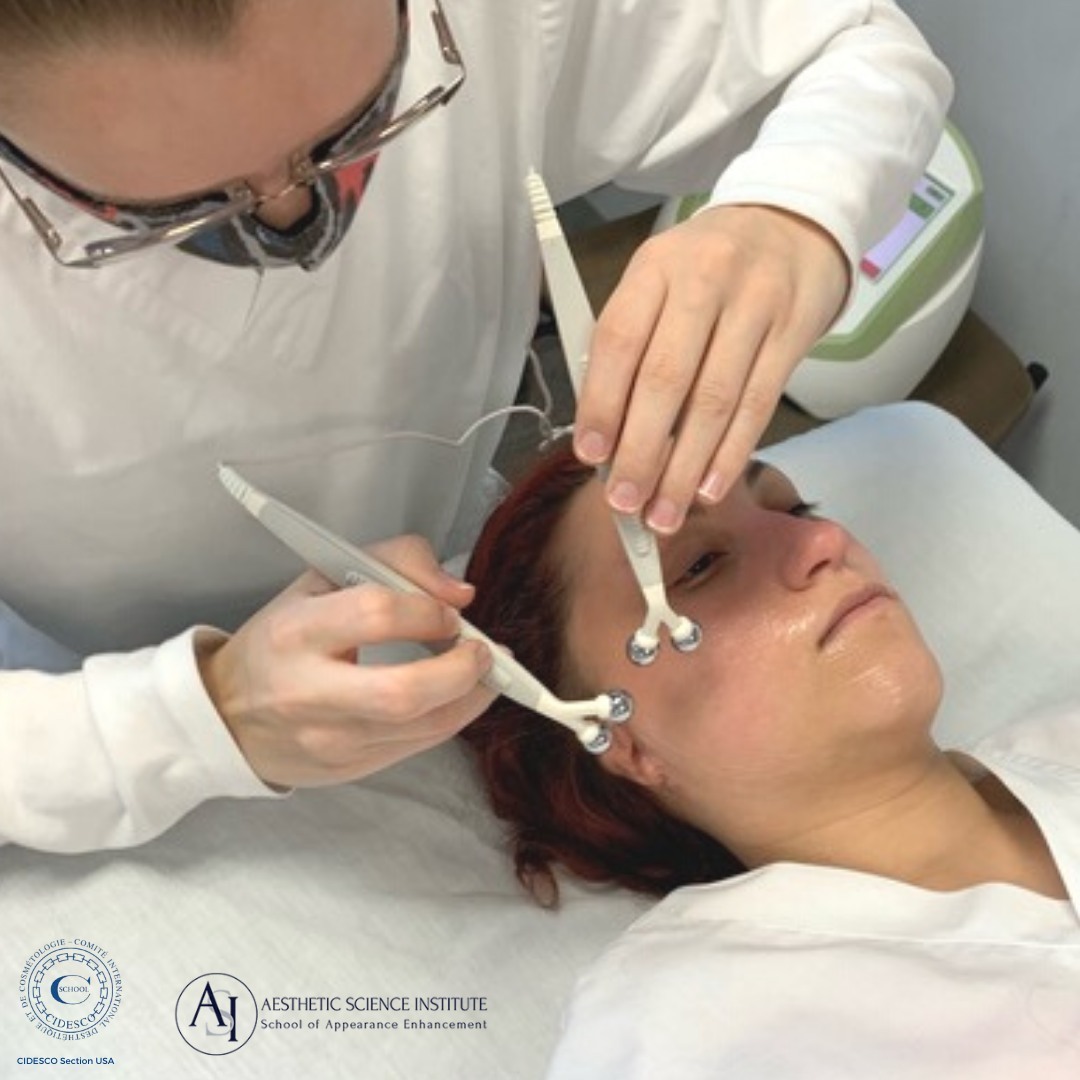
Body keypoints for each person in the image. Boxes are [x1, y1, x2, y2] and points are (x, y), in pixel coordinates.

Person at [0, 0, 951, 852]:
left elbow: (857, 44)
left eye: (362, 129)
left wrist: (792, 218)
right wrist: (192, 718)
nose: (296, 219)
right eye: (182, 211)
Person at [461, 446, 1080, 1077]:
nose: (822, 540)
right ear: (621, 741)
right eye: (700, 566)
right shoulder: (691, 1030)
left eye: (795, 508)